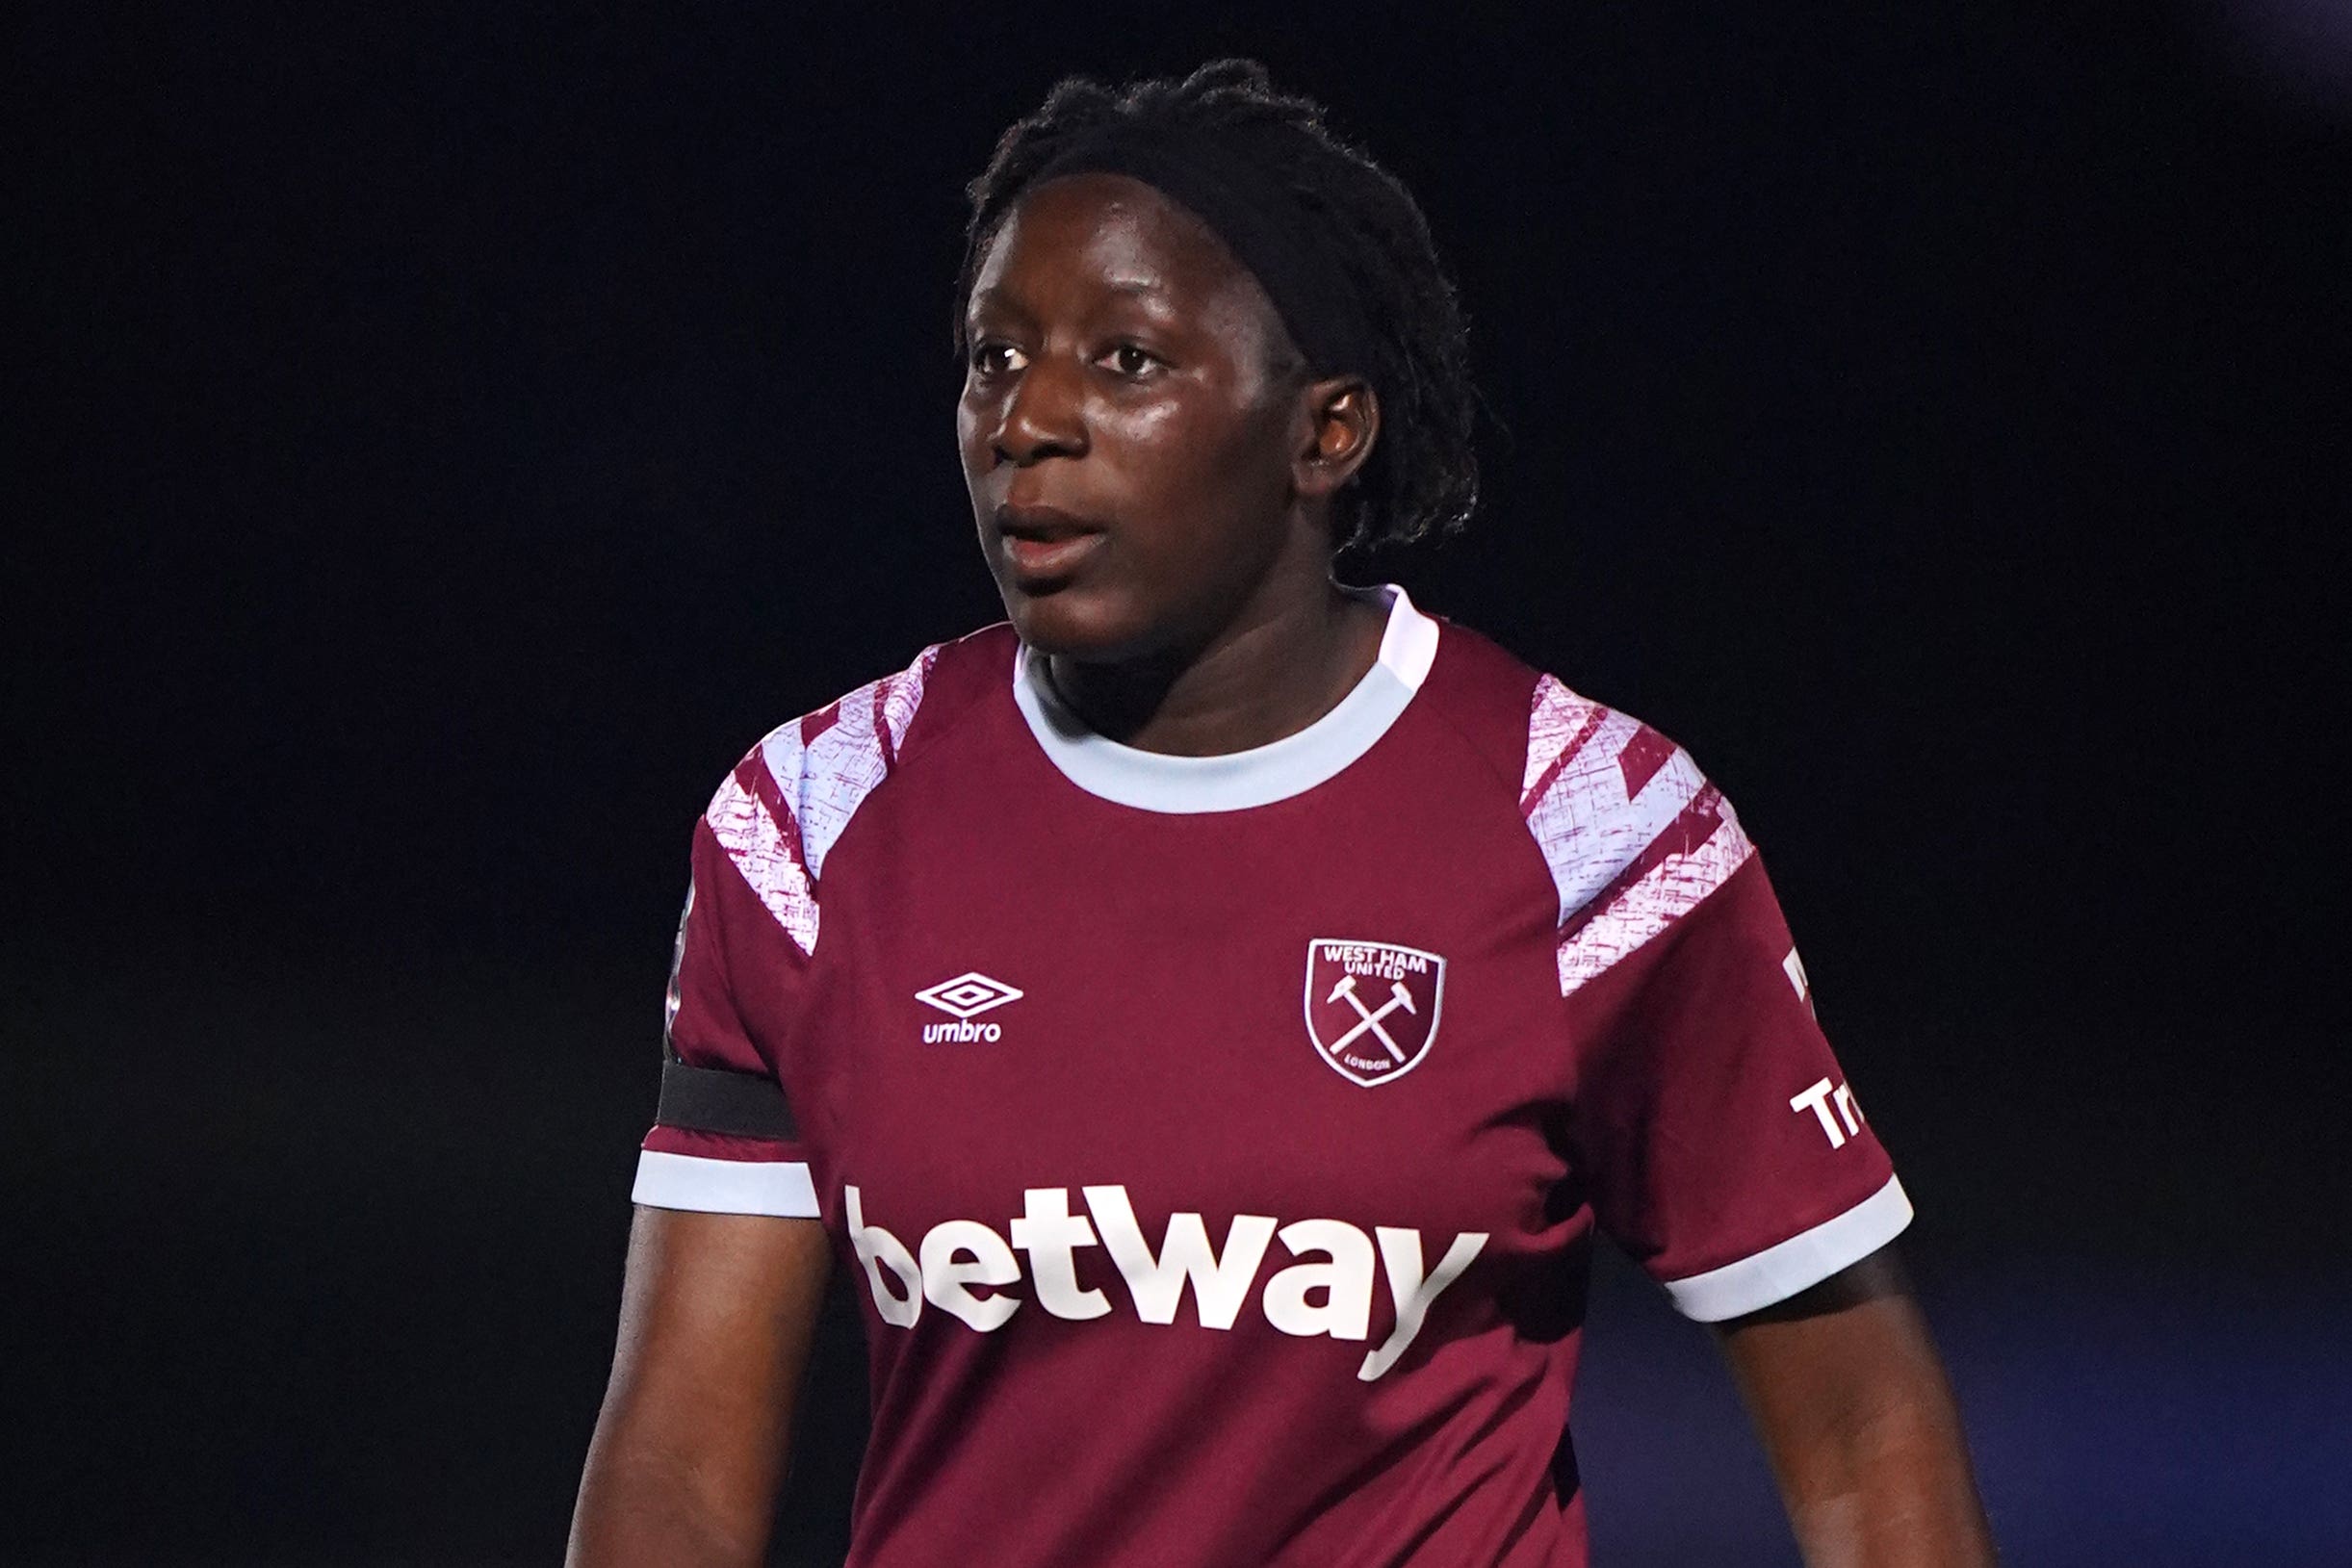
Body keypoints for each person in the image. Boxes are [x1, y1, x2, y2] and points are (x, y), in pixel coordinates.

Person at [568, 59, 1997, 1568]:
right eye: (996, 357)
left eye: (1125, 361)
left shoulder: (1597, 831)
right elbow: (675, 1466)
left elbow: (1860, 1426)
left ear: (1327, 432)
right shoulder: (811, 826)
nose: (1030, 419)